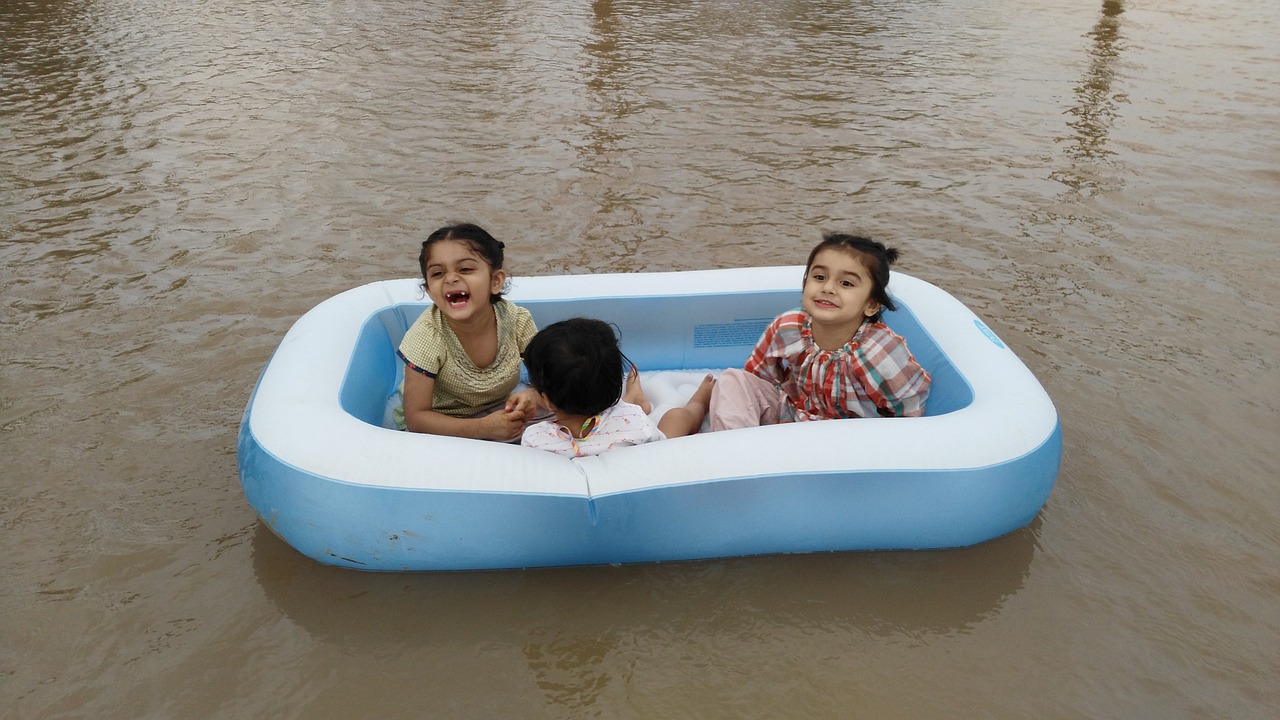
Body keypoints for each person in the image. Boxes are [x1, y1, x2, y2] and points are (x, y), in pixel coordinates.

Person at [709, 232, 931, 430]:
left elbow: (908, 408)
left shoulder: (880, 351)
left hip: (850, 437)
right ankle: (739, 456)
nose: (827, 288)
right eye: (819, 277)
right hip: (794, 417)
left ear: (871, 305)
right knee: (734, 380)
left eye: (846, 283)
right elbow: (759, 376)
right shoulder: (788, 326)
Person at [394, 222, 541, 441]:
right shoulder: (427, 336)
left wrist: (532, 395)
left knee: (570, 410)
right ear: (429, 291)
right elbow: (416, 419)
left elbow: (547, 380)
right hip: (442, 424)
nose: (450, 278)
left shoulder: (516, 321)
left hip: (500, 410)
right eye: (437, 273)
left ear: (495, 281)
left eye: (465, 269)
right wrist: (482, 428)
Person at [520, 318, 715, 458]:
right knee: (677, 417)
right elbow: (657, 452)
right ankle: (699, 401)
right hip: (627, 436)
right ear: (615, 384)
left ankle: (636, 399)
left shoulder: (535, 439)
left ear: (546, 400)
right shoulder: (635, 420)